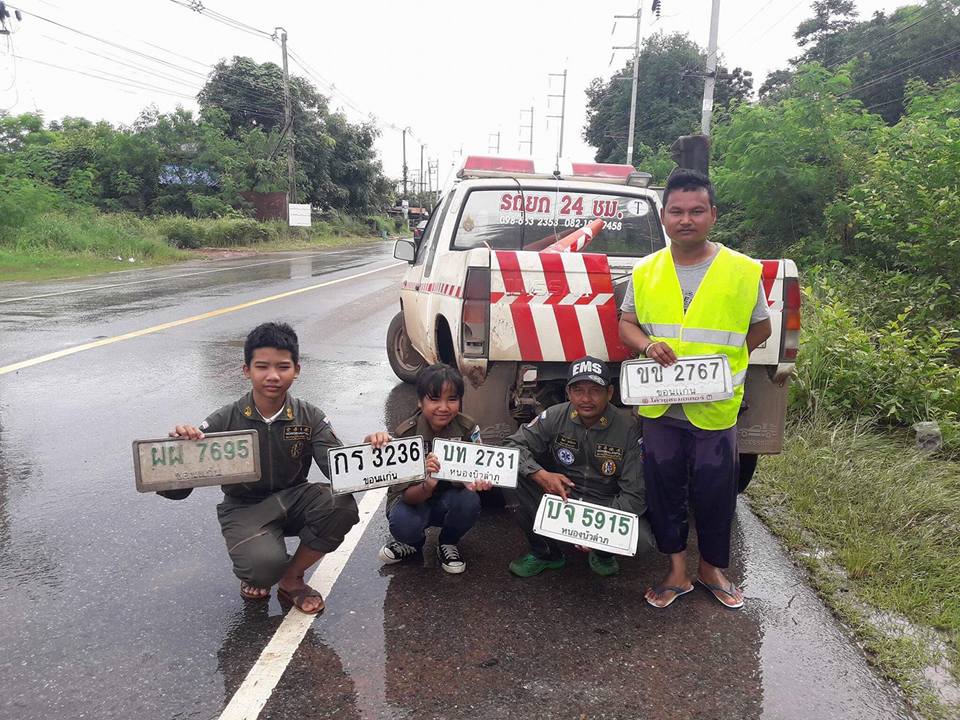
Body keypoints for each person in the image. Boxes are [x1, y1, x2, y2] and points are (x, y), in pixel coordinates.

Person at [618, 169, 772, 609]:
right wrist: (647, 345)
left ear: (713, 215)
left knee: (715, 491)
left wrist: (723, 363)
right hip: (661, 409)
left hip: (716, 407)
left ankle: (712, 569)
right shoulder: (646, 270)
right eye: (677, 211)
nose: (686, 219)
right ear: (664, 217)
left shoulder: (742, 271)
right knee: (663, 488)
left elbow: (759, 326)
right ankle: (677, 572)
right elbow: (627, 323)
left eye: (696, 211)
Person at [159, 322, 387, 615]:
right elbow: (178, 489)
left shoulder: (310, 416)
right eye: (262, 366)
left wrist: (369, 451)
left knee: (340, 504)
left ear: (297, 370)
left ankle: (292, 579)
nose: (273, 376)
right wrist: (178, 449)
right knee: (262, 570)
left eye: (283, 366)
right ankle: (263, 565)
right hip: (244, 507)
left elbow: (339, 469)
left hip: (294, 498)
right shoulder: (224, 419)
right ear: (246, 370)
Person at [504, 356, 652, 578]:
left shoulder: (628, 429)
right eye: (578, 390)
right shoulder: (554, 416)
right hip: (563, 496)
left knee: (641, 541)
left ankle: (602, 553)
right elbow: (512, 446)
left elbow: (635, 495)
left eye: (595, 390)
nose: (586, 399)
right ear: (568, 392)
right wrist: (540, 475)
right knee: (512, 474)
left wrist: (593, 530)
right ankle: (546, 553)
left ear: (609, 393)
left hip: (605, 505)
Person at [378, 363, 492, 574]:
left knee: (470, 500)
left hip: (448, 498)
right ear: (420, 402)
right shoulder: (406, 435)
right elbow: (406, 497)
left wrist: (478, 481)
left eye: (452, 399)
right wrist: (427, 485)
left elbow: (480, 470)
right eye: (434, 398)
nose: (444, 407)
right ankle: (412, 544)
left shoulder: (468, 429)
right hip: (414, 499)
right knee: (403, 522)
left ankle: (448, 543)